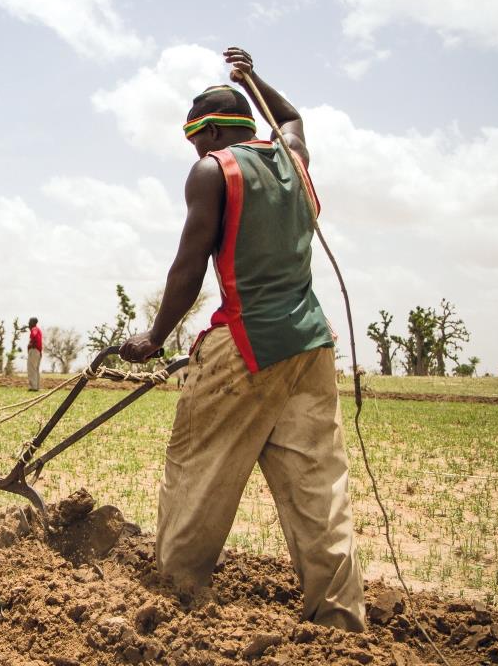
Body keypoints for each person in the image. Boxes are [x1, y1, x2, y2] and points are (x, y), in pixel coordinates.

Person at [119, 47, 366, 632]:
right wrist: (253, 78)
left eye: (196, 140)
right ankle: (338, 620)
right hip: (310, 343)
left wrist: (154, 338)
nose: (197, 152)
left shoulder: (214, 170)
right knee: (318, 489)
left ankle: (176, 599)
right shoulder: (292, 155)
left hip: (247, 343)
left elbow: (188, 269)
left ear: (210, 132)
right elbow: (294, 119)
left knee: (196, 469)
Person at [26, 317, 42, 391]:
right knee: (35, 369)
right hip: (38, 351)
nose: (28, 323)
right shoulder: (38, 329)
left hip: (34, 350)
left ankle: (33, 387)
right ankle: (36, 386)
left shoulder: (34, 329)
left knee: (32, 368)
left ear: (33, 323)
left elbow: (34, 335)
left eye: (30, 322)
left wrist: (31, 343)